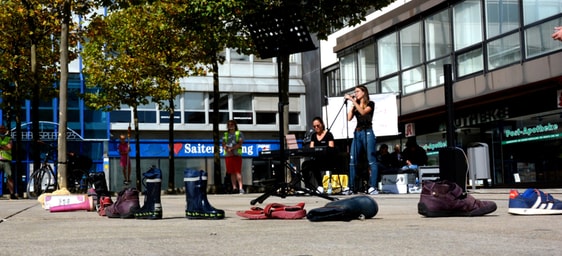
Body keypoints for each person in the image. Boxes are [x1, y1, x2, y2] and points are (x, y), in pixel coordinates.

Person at [344, 85, 379, 195]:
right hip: (358, 132)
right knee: (352, 160)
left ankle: (373, 186)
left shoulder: (370, 104)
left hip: (367, 132)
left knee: (371, 160)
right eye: (355, 92)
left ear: (364, 92)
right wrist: (352, 104)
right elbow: (348, 118)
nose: (356, 93)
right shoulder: (356, 105)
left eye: (357, 91)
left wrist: (353, 101)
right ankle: (351, 186)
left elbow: (363, 112)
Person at [302, 117, 335, 193]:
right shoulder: (313, 136)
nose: (316, 128)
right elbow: (311, 148)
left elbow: (331, 148)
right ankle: (308, 186)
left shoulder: (329, 135)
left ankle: (320, 185)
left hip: (327, 160)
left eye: (318, 125)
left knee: (315, 164)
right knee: (305, 165)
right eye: (314, 126)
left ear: (322, 124)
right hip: (316, 159)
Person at [223, 120, 245, 194]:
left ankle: (241, 188)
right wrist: (226, 148)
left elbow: (240, 143)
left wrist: (231, 149)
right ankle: (234, 188)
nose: (230, 126)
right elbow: (223, 143)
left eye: (232, 124)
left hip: (236, 155)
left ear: (235, 125)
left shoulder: (239, 133)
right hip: (228, 156)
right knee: (231, 172)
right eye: (229, 124)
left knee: (237, 172)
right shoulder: (225, 134)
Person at [0, 125, 16, 199]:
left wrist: (1, 146)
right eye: (1, 129)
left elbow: (9, 147)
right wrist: (4, 146)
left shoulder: (9, 138)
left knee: (9, 177)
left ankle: (12, 194)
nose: (2, 130)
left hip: (7, 160)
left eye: (3, 129)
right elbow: (6, 147)